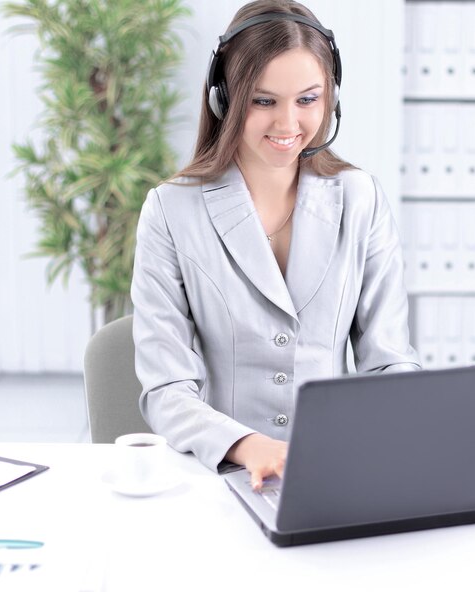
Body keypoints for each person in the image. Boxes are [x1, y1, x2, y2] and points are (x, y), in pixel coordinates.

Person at [131, 0, 420, 491]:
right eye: (263, 101)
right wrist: (249, 446)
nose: (288, 124)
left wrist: (396, 429)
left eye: (307, 100)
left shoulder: (360, 197)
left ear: (331, 97)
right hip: (226, 472)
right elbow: (166, 389)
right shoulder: (170, 211)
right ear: (224, 98)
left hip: (338, 468)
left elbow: (389, 359)